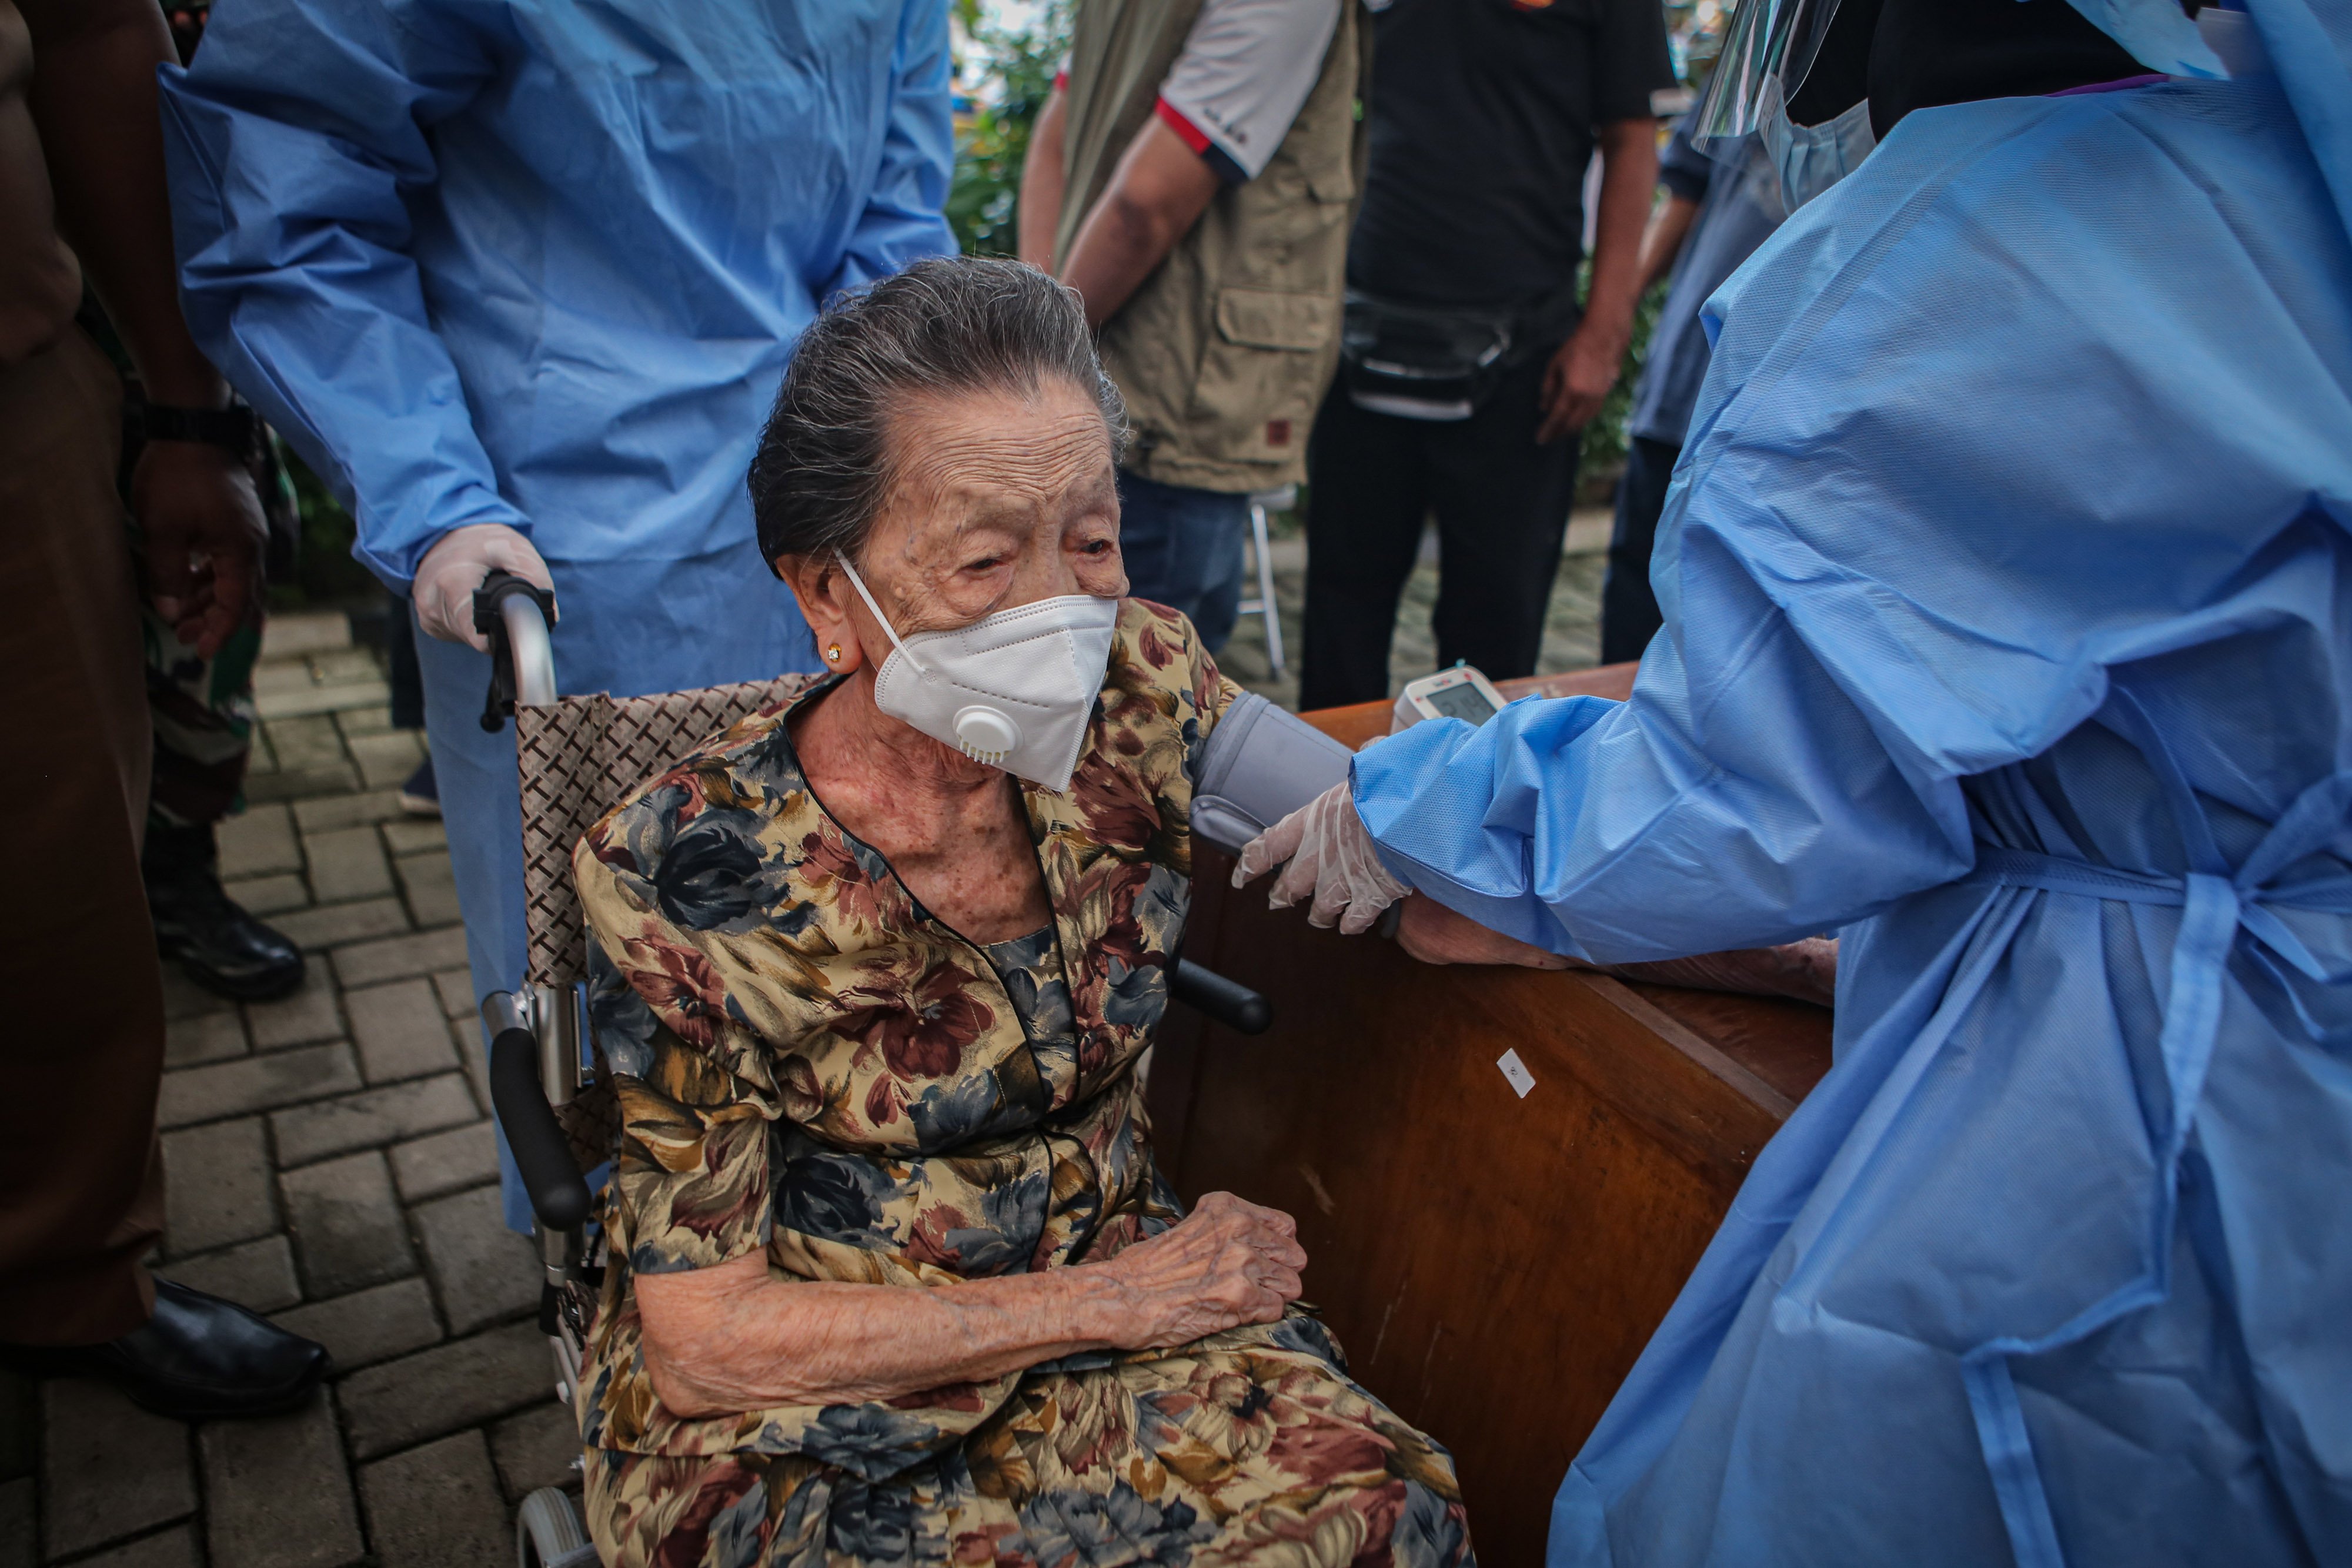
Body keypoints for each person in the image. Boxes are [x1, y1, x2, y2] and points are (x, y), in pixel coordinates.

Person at [1238, 0, 2352, 1559]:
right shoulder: (2288, 165)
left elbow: (1751, 783)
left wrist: (1433, 800)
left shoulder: (1992, 236)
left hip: (2137, 1097)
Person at [567, 258, 1472, 1567]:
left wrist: (1776, 942)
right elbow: (707, 1343)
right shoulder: (676, 872)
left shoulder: (1143, 684)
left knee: (1386, 1515)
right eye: (988, 557)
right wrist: (1111, 1295)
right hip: (816, 1404)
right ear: (828, 594)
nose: (1062, 608)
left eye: (1093, 540)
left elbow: (1418, 852)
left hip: (1125, 1318)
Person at [159, 0, 957, 1229]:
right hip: (568, 550)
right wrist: (429, 499)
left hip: (835, 517)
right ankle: (625, 1280)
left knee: (837, 948)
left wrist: (919, 457)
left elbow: (891, 227)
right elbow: (293, 187)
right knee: (602, 996)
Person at [0, 0, 326, 1416]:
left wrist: (188, 416)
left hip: (12, 382)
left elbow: (86, 41)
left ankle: (66, 1270)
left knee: (58, 855)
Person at [1297, 0, 1675, 711]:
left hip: (1524, 355)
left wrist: (1603, 334)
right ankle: (1323, 811)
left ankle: (1471, 813)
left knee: (1494, 639)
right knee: (1339, 620)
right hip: (1361, 337)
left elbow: (1632, 138)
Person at [1017, 0, 1368, 652]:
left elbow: (1056, 134)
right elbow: (1145, 203)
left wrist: (1036, 326)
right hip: (1177, 391)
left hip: (1117, 374)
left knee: (1070, 655)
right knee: (1149, 689)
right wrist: (1044, 352)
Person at [1597, 113, 1785, 666]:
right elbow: (1688, 187)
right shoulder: (1761, 54)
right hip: (1685, 385)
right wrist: (1612, 315)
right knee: (1639, 595)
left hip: (1780, 410)